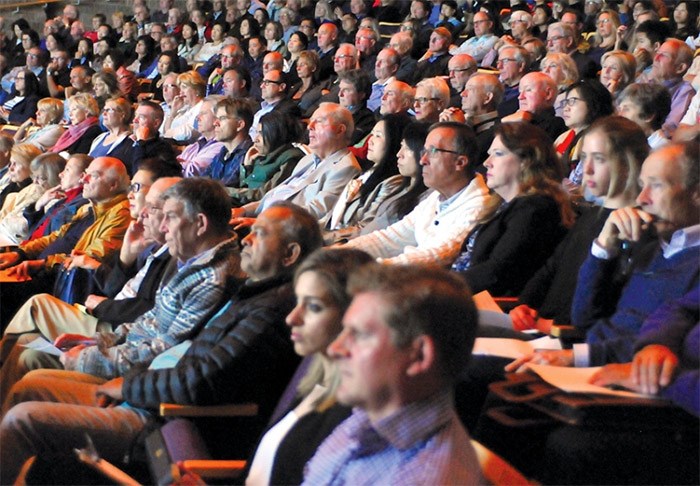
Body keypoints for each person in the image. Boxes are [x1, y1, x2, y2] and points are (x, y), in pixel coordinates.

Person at [0, 202, 323, 485]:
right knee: (29, 385)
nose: (246, 238)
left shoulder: (270, 311)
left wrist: (130, 387)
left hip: (162, 420)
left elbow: (201, 379)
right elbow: (172, 346)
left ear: (290, 254)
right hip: (149, 391)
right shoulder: (252, 291)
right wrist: (126, 375)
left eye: (261, 233)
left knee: (23, 418)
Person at [508, 141, 699, 372]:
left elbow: (671, 345)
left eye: (656, 186)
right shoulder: (649, 245)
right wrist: (604, 248)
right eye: (642, 186)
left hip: (622, 378)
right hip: (584, 354)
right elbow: (584, 319)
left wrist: (579, 357)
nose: (641, 199)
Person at [302, 264, 485, 485]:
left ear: (418, 356)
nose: (334, 349)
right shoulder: (375, 413)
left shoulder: (421, 477)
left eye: (358, 335)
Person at [0, 174, 180, 362]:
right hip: (108, 315)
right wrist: (126, 258)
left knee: (37, 304)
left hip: (115, 327)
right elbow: (113, 287)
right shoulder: (95, 213)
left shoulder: (127, 219)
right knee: (28, 352)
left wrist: (103, 306)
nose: (83, 178)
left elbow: (147, 312)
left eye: (137, 188)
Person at [241, 248, 373, 484]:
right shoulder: (314, 378)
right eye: (297, 301)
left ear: (352, 315)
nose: (292, 318)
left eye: (312, 307)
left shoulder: (353, 416)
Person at [511, 116, 649, 333]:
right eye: (585, 158)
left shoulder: (635, 225)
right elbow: (553, 267)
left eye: (600, 159)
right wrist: (524, 305)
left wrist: (555, 326)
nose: (588, 169)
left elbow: (607, 297)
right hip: (540, 326)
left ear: (628, 164)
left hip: (569, 338)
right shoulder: (591, 214)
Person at [0, 157, 131, 324]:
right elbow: (54, 237)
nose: (84, 179)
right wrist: (20, 253)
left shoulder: (121, 215)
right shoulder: (90, 208)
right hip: (43, 267)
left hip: (59, 282)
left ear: (113, 185)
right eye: (85, 174)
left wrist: (42, 264)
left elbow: (90, 258)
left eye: (94, 175)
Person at [451, 122, 573, 296]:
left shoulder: (536, 209)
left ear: (526, 160)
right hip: (463, 295)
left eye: (498, 154)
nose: (487, 163)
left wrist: (440, 285)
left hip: (490, 306)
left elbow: (497, 272)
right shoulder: (500, 205)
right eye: (489, 155)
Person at [345, 122, 491, 266]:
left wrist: (370, 270)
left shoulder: (479, 206)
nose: (422, 160)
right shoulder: (436, 197)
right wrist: (340, 254)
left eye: (432, 151)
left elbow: (439, 255)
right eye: (423, 151)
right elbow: (390, 238)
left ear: (460, 162)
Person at [232, 103, 361, 221]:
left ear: (340, 130)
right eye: (311, 121)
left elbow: (316, 212)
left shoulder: (345, 168)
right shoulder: (307, 159)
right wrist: (243, 210)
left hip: (280, 229)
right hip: (261, 218)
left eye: (319, 122)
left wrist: (262, 223)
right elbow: (274, 196)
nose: (310, 127)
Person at [323, 113, 409, 243]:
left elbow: (365, 227)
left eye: (378, 136)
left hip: (344, 245)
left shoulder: (393, 182)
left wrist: (323, 238)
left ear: (394, 142)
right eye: (372, 134)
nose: (370, 141)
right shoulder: (366, 173)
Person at [231, 110, 304, 205]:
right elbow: (245, 186)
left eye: (261, 133)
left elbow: (267, 194)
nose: (256, 139)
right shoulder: (261, 155)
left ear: (275, 134)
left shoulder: (290, 158)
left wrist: (228, 191)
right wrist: (247, 167)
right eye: (256, 133)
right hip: (244, 204)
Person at [555, 79, 614, 188]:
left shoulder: (599, 139)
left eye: (572, 101)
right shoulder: (564, 136)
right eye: (566, 102)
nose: (566, 108)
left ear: (593, 103)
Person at [0, 152, 64, 246]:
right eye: (34, 176)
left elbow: (22, 227)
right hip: (5, 233)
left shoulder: (55, 199)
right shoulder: (37, 189)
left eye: (41, 178)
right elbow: (10, 216)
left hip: (15, 242)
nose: (35, 181)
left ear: (53, 177)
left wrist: (37, 205)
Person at [88, 98, 138, 175]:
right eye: (104, 110)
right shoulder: (100, 137)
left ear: (122, 115)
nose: (104, 114)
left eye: (109, 110)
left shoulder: (129, 142)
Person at [617, 83, 672, 149]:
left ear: (648, 115)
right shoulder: (633, 143)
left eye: (626, 109)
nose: (619, 115)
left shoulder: (661, 150)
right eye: (619, 109)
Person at [540, 52, 579, 117]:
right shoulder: (540, 94)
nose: (546, 70)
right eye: (544, 67)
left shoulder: (569, 96)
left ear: (566, 71)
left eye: (553, 66)